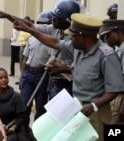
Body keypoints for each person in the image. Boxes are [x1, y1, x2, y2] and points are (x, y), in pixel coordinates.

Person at [12, 13, 124, 141]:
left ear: (85, 36)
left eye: (73, 36)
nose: (70, 39)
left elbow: (114, 89)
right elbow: (54, 41)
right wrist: (29, 29)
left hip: (96, 112)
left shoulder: (106, 56)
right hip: (76, 107)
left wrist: (93, 106)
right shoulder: (76, 48)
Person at [0, 0, 79, 99]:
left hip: (69, 85)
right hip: (55, 82)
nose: (52, 19)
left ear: (65, 21)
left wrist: (61, 69)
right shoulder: (55, 29)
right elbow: (30, 25)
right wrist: (7, 16)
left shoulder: (76, 40)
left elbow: (80, 68)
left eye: (56, 18)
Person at [0, 67, 31, 141]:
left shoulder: (16, 96)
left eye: (6, 77)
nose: (4, 80)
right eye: (0, 78)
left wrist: (11, 129)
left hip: (14, 129)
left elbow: (21, 117)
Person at [99, 20, 124, 124]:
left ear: (118, 33)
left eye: (108, 35)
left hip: (121, 97)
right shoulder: (120, 49)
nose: (106, 39)